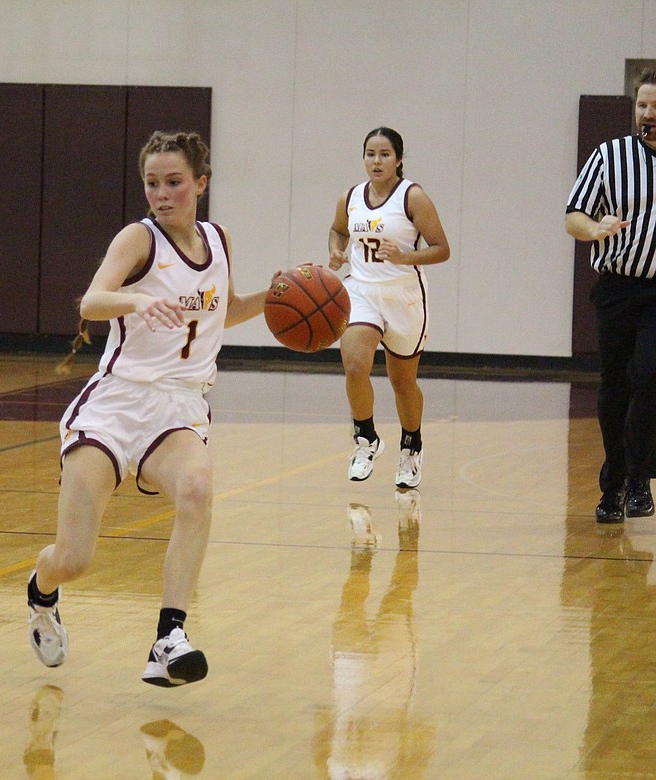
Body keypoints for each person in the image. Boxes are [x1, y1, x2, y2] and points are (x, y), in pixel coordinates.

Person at [26, 130, 269, 687]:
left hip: (180, 405)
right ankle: (42, 593)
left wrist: (275, 297)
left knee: (197, 490)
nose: (162, 194)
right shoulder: (139, 239)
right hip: (115, 403)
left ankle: (169, 637)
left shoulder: (220, 241)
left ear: (200, 184)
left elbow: (222, 313)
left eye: (174, 183)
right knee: (74, 558)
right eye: (152, 183)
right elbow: (91, 301)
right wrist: (137, 299)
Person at [328, 127, 450, 489]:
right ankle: (366, 439)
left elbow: (442, 248)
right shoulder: (350, 197)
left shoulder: (413, 197)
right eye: (370, 153)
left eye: (384, 154)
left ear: (398, 159)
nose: (376, 161)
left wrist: (405, 256)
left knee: (403, 382)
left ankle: (411, 447)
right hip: (362, 290)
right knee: (354, 364)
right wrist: (335, 250)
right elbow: (338, 230)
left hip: (404, 296)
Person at [566, 69, 656, 524]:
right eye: (642, 105)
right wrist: (594, 228)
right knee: (614, 385)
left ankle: (638, 476)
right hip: (619, 286)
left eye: (655, 107)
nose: (648, 114)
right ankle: (616, 483)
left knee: (649, 374)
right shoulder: (609, 156)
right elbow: (573, 216)